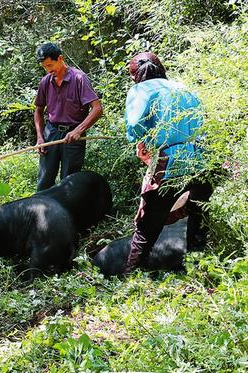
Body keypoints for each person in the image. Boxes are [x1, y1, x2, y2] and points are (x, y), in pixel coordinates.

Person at [124, 52, 213, 273]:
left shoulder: (140, 90)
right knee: (198, 212)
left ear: (137, 75)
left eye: (132, 76)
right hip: (202, 159)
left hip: (170, 163)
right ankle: (198, 267)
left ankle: (130, 277)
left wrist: (143, 140)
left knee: (147, 225)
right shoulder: (182, 86)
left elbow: (134, 126)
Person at [34, 42, 103, 191]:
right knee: (44, 180)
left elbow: (97, 109)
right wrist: (40, 137)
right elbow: (38, 110)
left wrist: (78, 130)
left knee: (69, 182)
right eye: (45, 67)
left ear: (60, 58)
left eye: (50, 65)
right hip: (50, 133)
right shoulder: (45, 82)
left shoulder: (79, 78)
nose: (48, 70)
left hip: (73, 136)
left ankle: (68, 213)